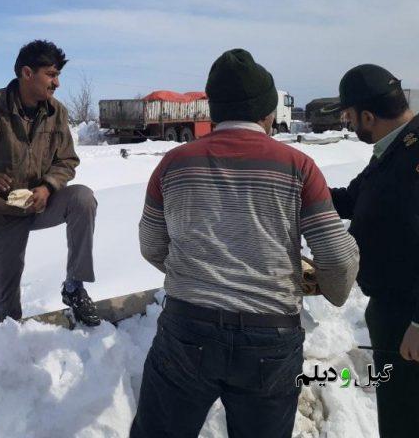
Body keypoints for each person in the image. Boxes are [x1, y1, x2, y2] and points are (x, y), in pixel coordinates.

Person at [130, 49, 359, 438]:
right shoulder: (298, 166)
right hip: (269, 341)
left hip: (187, 332)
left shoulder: (173, 164)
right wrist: (333, 292)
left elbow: (152, 245)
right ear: (268, 112)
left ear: (213, 112)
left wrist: (196, 275)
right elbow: (337, 259)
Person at [0, 40, 100, 325]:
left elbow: (67, 160)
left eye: (58, 76)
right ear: (27, 73)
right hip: (0, 210)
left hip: (40, 201)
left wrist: (48, 186)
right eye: (51, 75)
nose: (57, 83)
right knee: (6, 307)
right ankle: (7, 352)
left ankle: (75, 286)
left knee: (82, 198)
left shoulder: (57, 113)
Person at [326, 64, 419, 438]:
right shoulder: (395, 147)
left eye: (349, 117)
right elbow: (354, 199)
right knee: (398, 415)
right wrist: (300, 190)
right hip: (393, 312)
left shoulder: (413, 153)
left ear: (368, 115)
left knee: (406, 420)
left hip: (408, 317)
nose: (349, 125)